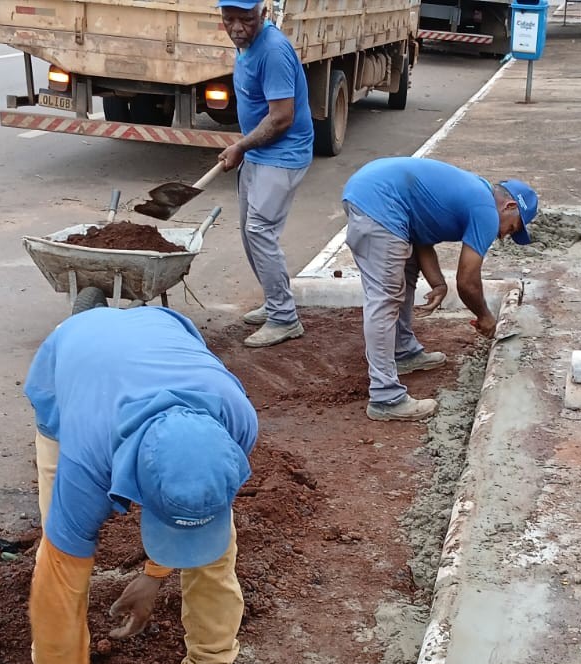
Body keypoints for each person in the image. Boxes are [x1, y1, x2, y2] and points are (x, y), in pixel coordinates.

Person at [21, 306, 278, 664]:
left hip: (159, 334)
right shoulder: (86, 463)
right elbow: (57, 589)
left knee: (217, 559)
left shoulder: (235, 421)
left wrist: (155, 574)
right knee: (58, 557)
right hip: (71, 366)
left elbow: (190, 509)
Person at [341, 157, 539, 422]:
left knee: (405, 274)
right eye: (512, 227)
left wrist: (437, 283)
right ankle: (385, 397)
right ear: (510, 206)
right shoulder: (485, 211)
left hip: (376, 193)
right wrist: (485, 317)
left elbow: (422, 236)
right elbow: (468, 281)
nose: (504, 236)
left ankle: (403, 351)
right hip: (379, 201)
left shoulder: (471, 193)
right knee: (385, 298)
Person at [218, 0, 315, 349]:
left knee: (260, 230)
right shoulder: (245, 45)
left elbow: (281, 118)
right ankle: (276, 302)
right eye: (229, 20)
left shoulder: (272, 51)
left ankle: (285, 319)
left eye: (246, 19)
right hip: (259, 152)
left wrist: (241, 146)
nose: (237, 28)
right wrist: (246, 147)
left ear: (262, 13)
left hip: (283, 154)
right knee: (249, 232)